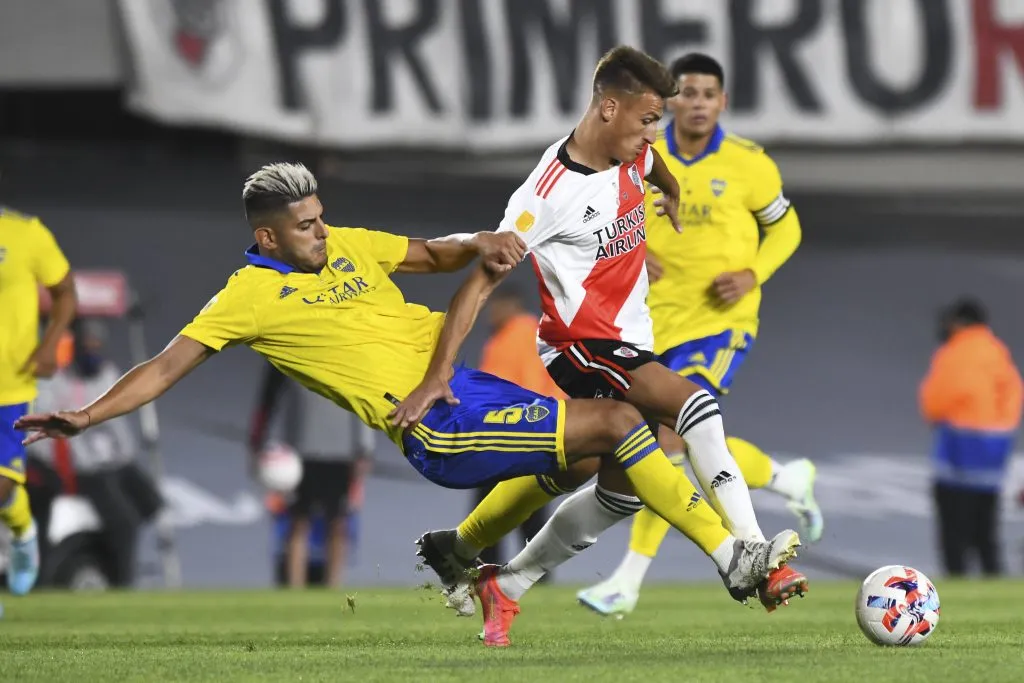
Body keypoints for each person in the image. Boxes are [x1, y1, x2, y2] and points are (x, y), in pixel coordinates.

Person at [17, 162, 794, 647]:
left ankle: (467, 556)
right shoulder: (248, 295)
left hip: (467, 382)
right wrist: (85, 415)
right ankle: (734, 559)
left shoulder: (346, 243)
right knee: (626, 424)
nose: (321, 231)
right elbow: (164, 366)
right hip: (435, 419)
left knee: (613, 465)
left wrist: (484, 241)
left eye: (321, 216)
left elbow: (429, 253)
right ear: (267, 236)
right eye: (305, 226)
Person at [401, 46, 806, 645]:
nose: (653, 134)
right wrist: (438, 375)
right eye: (647, 119)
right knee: (692, 405)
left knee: (614, 484)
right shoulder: (544, 196)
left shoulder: (633, 149)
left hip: (628, 339)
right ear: (608, 108)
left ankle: (494, 578)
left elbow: (652, 159)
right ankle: (744, 551)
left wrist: (667, 187)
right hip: (579, 344)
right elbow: (479, 285)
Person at [578, 53, 821, 617]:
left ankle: (626, 582)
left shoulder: (748, 164)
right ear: (668, 103)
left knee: (668, 441)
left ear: (722, 102)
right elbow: (606, 228)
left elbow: (786, 227)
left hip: (720, 323)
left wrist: (753, 273)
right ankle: (784, 476)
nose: (697, 103)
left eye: (708, 93)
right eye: (686, 93)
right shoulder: (637, 159)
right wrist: (635, 254)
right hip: (648, 324)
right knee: (674, 446)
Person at [30, 318, 163, 587]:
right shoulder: (59, 381)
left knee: (151, 501)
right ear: (76, 346)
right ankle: (123, 582)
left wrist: (123, 456)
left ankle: (105, 548)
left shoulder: (106, 374)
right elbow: (51, 433)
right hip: (85, 469)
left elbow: (119, 426)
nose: (92, 349)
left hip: (114, 462)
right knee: (124, 521)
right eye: (87, 343)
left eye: (97, 344)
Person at [0, 205, 77, 594]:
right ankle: (20, 524)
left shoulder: (25, 233)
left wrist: (50, 345)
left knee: (0, 486)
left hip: (9, 387)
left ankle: (22, 529)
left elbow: (65, 291)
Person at [249, 361, 376, 587]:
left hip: (341, 450)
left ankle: (333, 586)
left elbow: (363, 402)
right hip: (299, 452)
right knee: (298, 520)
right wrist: (258, 440)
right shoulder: (287, 350)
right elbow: (269, 398)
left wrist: (364, 448)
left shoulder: (351, 352)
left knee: (338, 522)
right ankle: (295, 592)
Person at [920, 298, 1022, 577]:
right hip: (992, 454)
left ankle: (956, 583)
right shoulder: (997, 352)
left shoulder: (955, 352)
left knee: (953, 530)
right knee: (985, 529)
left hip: (958, 449)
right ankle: (993, 581)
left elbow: (936, 399)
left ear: (960, 322)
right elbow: (1012, 397)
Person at [472, 286, 563, 568]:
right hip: (505, 439)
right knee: (516, 511)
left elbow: (533, 389)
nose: (490, 314)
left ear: (509, 305)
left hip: (514, 439)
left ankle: (499, 573)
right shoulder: (502, 339)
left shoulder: (523, 334)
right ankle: (520, 572)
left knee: (507, 512)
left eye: (493, 307)